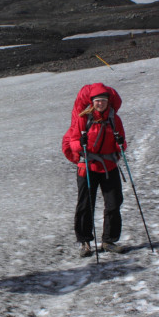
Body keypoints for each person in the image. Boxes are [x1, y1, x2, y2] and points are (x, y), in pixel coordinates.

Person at [62, 83, 128, 257]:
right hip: (88, 167)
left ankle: (109, 241)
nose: (101, 103)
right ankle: (85, 242)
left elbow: (121, 142)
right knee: (86, 205)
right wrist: (80, 145)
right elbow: (72, 141)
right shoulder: (83, 118)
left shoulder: (114, 119)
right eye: (98, 101)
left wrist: (120, 143)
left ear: (108, 102)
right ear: (92, 102)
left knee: (114, 203)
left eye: (103, 100)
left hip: (109, 167)